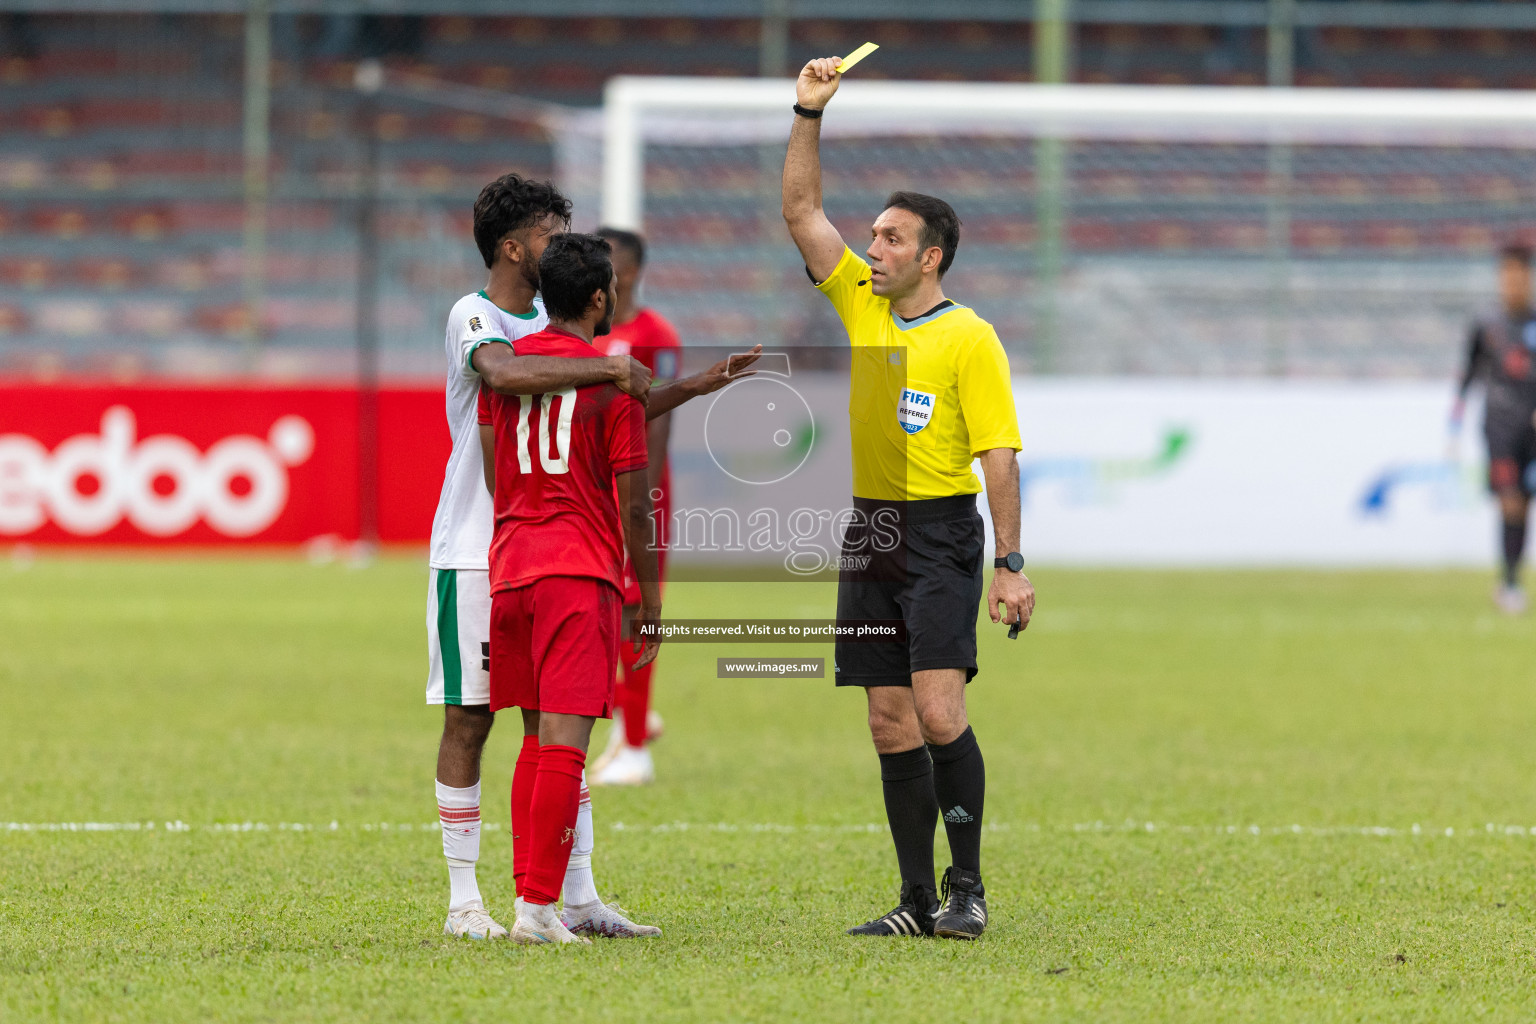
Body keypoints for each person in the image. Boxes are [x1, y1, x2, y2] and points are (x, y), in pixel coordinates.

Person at [781, 56, 1035, 941]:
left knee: (937, 711)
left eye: (889, 239)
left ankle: (968, 889)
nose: (871, 248)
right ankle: (916, 900)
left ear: (929, 256)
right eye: (873, 237)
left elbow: (998, 454)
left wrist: (1008, 562)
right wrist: (808, 112)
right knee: (889, 723)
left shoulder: (971, 338)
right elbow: (802, 213)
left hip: (938, 538)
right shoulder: (863, 306)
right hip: (870, 531)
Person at [589, 226, 683, 787]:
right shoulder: (583, 333)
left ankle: (634, 746)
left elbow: (661, 426)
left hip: (634, 493)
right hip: (587, 492)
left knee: (630, 608)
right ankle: (631, 718)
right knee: (594, 612)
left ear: (629, 271)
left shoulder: (655, 334)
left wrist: (637, 494)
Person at [1453, 242, 1536, 615]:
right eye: (1507, 276)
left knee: (1525, 503)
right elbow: (1469, 372)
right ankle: (1510, 583)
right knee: (1510, 501)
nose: (1513, 283)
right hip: (1500, 427)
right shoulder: (1486, 324)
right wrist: (1454, 420)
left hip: (1533, 430)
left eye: (1520, 275)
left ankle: (1511, 579)